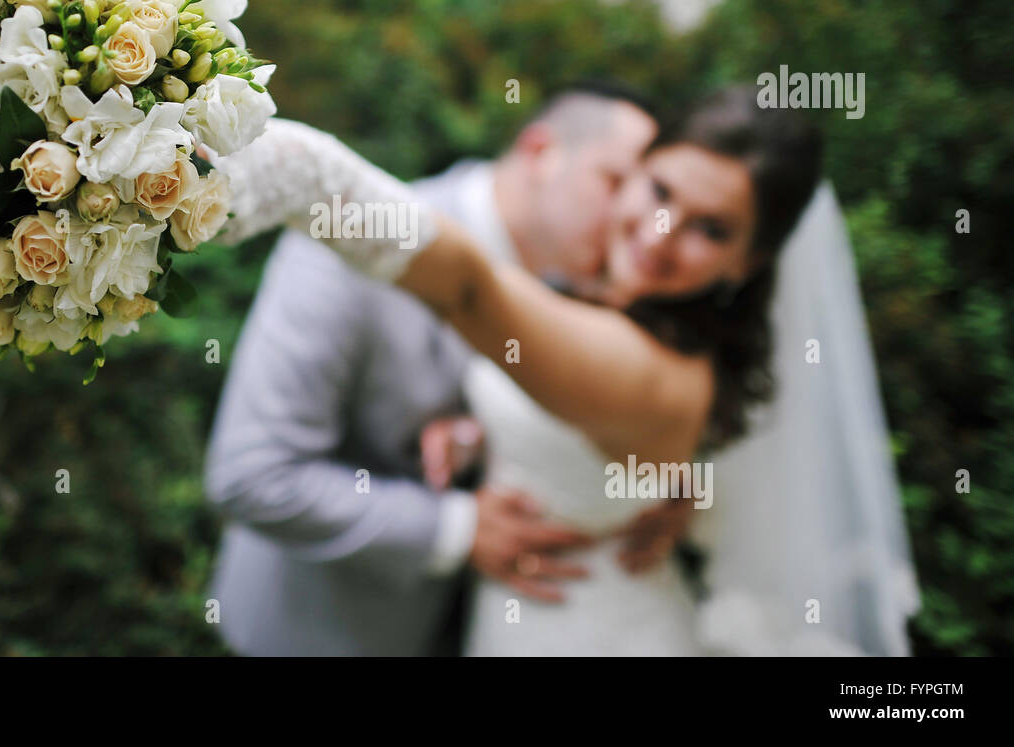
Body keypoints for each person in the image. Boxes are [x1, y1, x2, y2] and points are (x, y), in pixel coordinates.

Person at [204, 85, 690, 656]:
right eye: (614, 182)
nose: (632, 220)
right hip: (326, 634)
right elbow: (251, 474)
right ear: (541, 153)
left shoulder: (610, 288)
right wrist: (458, 528)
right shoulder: (351, 239)